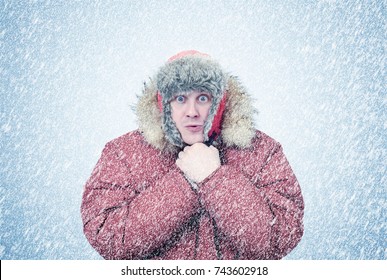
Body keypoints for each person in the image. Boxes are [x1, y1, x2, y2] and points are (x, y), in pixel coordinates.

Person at [81, 50, 304, 260]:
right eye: (180, 99)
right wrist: (183, 184)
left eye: (203, 98)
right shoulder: (124, 154)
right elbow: (106, 235)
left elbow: (281, 236)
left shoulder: (261, 151)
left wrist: (215, 179)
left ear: (220, 102)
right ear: (163, 103)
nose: (192, 112)